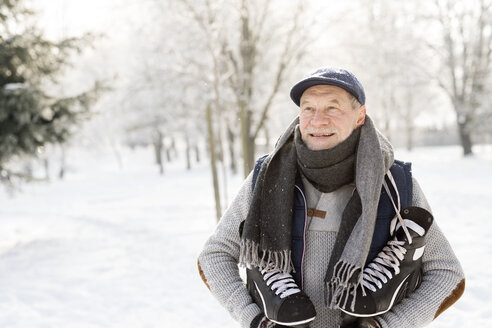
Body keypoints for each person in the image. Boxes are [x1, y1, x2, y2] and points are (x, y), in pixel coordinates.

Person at [197, 67, 465, 328]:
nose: (318, 120)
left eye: (332, 108)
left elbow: (447, 275)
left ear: (360, 116)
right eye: (308, 108)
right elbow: (215, 256)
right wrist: (256, 321)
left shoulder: (395, 183)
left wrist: (387, 325)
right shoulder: (268, 176)